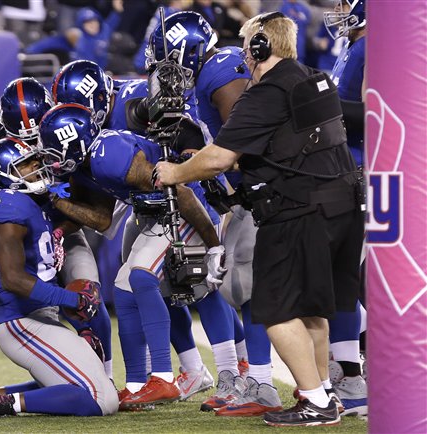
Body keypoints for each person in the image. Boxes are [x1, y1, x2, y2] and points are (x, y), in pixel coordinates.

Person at [155, 11, 364, 427]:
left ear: (260, 47)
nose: (243, 52)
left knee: (275, 310)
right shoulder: (311, 78)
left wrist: (174, 172)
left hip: (301, 211)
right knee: (312, 310)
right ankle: (325, 395)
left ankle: (314, 400)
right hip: (343, 206)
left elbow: (219, 158)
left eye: (248, 43)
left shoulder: (266, 92)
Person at [38, 103, 226, 409]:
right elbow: (101, 219)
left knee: (139, 275)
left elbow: (181, 191)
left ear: (74, 142)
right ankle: (138, 384)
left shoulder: (108, 156)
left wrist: (214, 243)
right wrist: (56, 202)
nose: (52, 159)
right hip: (157, 212)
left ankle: (163, 378)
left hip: (185, 208)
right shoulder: (87, 165)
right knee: (123, 291)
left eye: (55, 150)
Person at [148, 10, 281, 416]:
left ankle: (263, 384)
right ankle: (264, 380)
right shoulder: (216, 69)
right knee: (241, 288)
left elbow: (245, 140)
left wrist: (197, 166)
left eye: (172, 60)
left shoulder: (220, 71)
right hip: (252, 196)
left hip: (264, 194)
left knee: (249, 287)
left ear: (187, 52)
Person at [0, 138, 118, 419]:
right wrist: (73, 299)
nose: (37, 166)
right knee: (101, 400)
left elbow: (77, 209)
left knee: (100, 389)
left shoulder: (28, 198)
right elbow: (13, 280)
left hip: (39, 318)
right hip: (22, 322)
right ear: (5, 173)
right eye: (27, 164)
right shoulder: (7, 206)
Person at [324, 0, 367, 417]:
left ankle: (355, 375)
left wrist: (323, 104)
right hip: (345, 172)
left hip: (370, 174)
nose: (337, 9)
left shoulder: (373, 47)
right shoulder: (352, 47)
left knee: (354, 280)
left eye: (343, 2)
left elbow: (381, 112)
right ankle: (351, 369)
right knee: (350, 280)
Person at [25, 1, 123, 69]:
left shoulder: (104, 32)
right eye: (88, 23)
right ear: (81, 25)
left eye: (94, 21)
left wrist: (117, 10)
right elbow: (51, 42)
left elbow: (113, 20)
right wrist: (29, 50)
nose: (92, 25)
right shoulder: (76, 36)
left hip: (102, 72)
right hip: (81, 74)